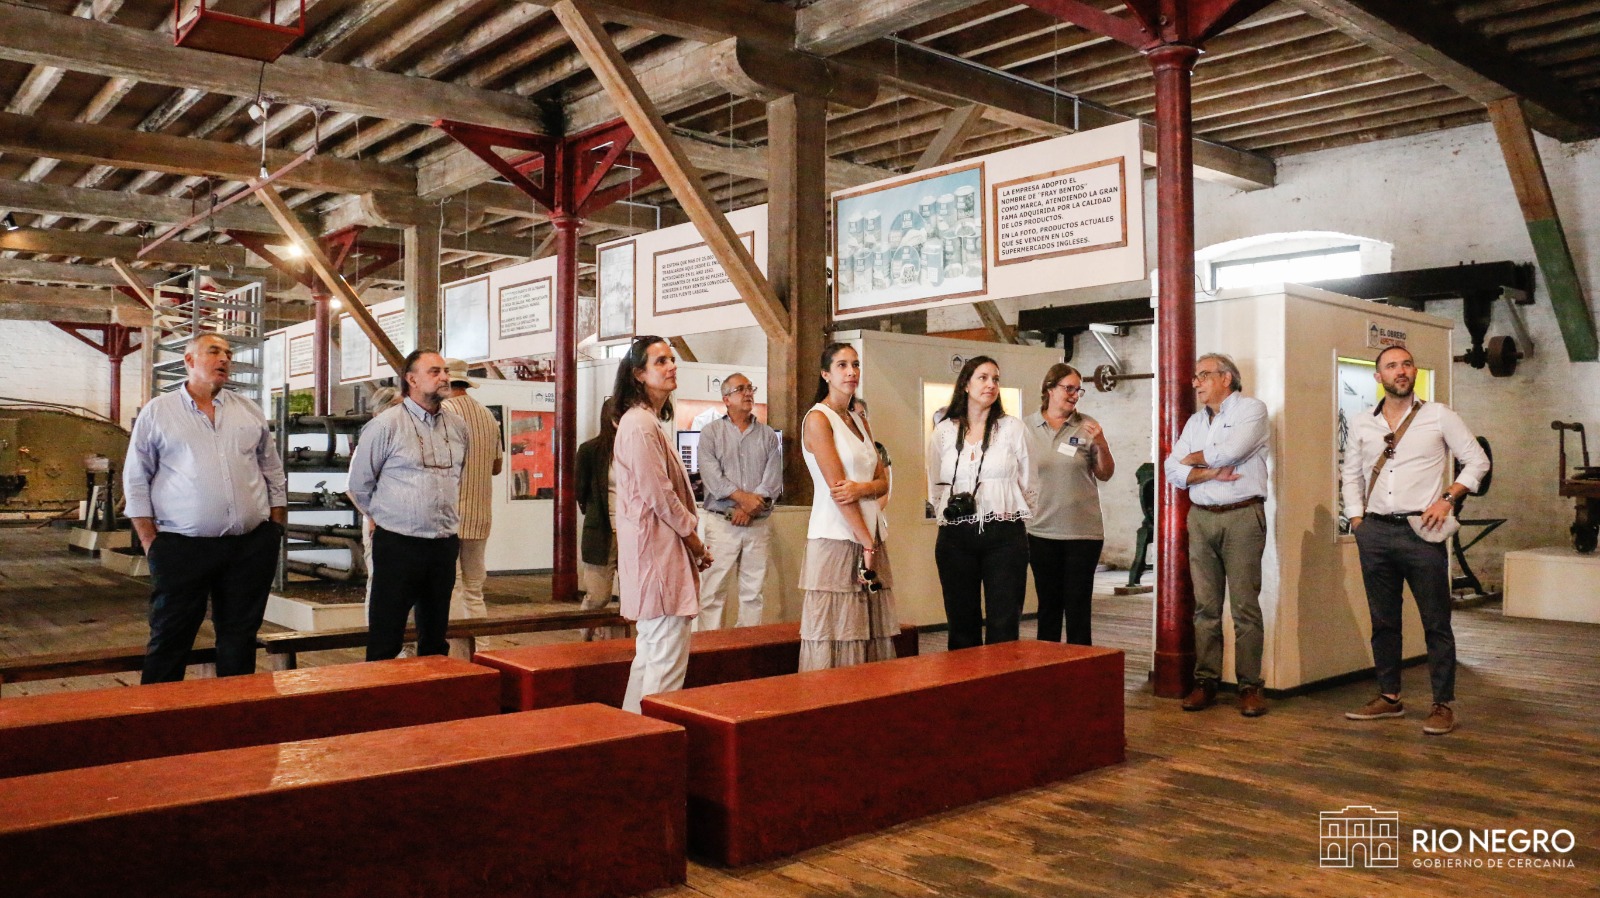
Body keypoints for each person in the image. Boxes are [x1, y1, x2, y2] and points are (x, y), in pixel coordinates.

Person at [1341, 345, 1489, 736]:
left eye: (1406, 364)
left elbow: (1477, 460)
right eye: (1391, 366)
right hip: (1375, 531)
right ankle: (1389, 697)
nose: (1401, 370)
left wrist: (1448, 498)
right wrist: (1357, 521)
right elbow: (1350, 474)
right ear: (1379, 377)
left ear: (1414, 372)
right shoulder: (1363, 423)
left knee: (1436, 621)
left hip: (1421, 532)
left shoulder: (1438, 415)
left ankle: (1442, 704)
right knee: (1383, 620)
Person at [123, 333, 287, 683]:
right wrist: (151, 542)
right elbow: (136, 478)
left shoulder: (248, 410)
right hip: (182, 547)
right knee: (171, 634)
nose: (224, 358)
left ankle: (233, 708)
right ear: (189, 360)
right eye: (213, 351)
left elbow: (272, 469)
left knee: (240, 636)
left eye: (228, 353)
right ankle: (157, 712)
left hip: (248, 546)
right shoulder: (159, 412)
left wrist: (275, 527)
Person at [1163, 352, 1271, 717]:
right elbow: (1171, 470)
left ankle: (1250, 686)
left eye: (1204, 375)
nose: (1196, 383)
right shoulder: (1195, 421)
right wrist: (1209, 472)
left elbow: (1231, 452)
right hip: (1201, 517)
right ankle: (1205, 682)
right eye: (1196, 376)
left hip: (1241, 516)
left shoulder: (1251, 410)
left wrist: (1193, 459)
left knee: (1244, 607)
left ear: (1226, 378)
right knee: (1205, 607)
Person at [347, 349, 468, 661]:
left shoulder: (458, 426)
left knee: (436, 638)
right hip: (398, 544)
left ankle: (433, 690)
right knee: (386, 638)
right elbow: (359, 485)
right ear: (411, 380)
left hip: (442, 544)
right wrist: (384, 517)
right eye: (435, 372)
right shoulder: (385, 426)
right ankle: (381, 691)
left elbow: (457, 477)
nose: (445, 377)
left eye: (445, 371)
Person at [612, 336, 712, 712]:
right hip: (658, 555)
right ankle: (653, 734)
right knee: (665, 665)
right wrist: (694, 539)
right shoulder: (639, 424)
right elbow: (660, 495)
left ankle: (634, 732)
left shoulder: (646, 421)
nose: (672, 366)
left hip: (658, 552)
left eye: (672, 359)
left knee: (652, 657)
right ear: (638, 374)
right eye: (660, 361)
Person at [927, 356, 1037, 650]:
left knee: (1004, 622)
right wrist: (948, 513)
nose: (991, 385)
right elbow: (935, 483)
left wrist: (1010, 513)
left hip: (1004, 533)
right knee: (961, 623)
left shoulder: (1013, 428)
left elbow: (1029, 483)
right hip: (955, 535)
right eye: (983, 377)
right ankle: (965, 678)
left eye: (995, 379)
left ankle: (1001, 678)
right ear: (965, 384)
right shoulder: (944, 431)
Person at [799, 342, 898, 670]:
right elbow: (838, 490)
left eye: (855, 364)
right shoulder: (818, 418)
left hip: (870, 532)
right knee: (838, 630)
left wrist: (862, 489)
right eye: (842, 365)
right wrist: (866, 542)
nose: (851, 372)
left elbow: (882, 481)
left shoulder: (858, 418)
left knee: (869, 630)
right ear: (825, 374)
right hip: (837, 535)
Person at [1026, 363, 1115, 646]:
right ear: (1050, 389)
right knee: (1048, 607)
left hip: (1082, 533)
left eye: (1079, 390)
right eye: (1069, 388)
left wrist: (1101, 442)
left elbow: (1105, 473)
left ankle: (1081, 668)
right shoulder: (1025, 428)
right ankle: (1048, 665)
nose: (1075, 395)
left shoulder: (1087, 426)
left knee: (1078, 607)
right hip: (1041, 531)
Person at [695, 373, 782, 631]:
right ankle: (710, 649)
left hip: (757, 525)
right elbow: (713, 479)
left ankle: (748, 647)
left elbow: (772, 481)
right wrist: (743, 501)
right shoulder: (711, 433)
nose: (748, 393)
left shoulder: (767, 435)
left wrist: (749, 509)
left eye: (750, 388)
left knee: (753, 594)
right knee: (712, 593)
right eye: (740, 389)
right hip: (721, 523)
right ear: (726, 399)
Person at [441, 359, 504, 629]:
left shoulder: (443, 413)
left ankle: (457, 647)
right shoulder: (487, 415)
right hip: (479, 515)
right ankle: (482, 644)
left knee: (451, 585)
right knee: (474, 588)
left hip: (447, 516)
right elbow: (497, 467)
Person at [576, 398, 631, 641]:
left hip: (632, 531)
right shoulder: (590, 450)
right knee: (598, 596)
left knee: (632, 596)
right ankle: (585, 637)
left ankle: (620, 644)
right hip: (601, 531)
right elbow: (580, 491)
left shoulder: (635, 449)